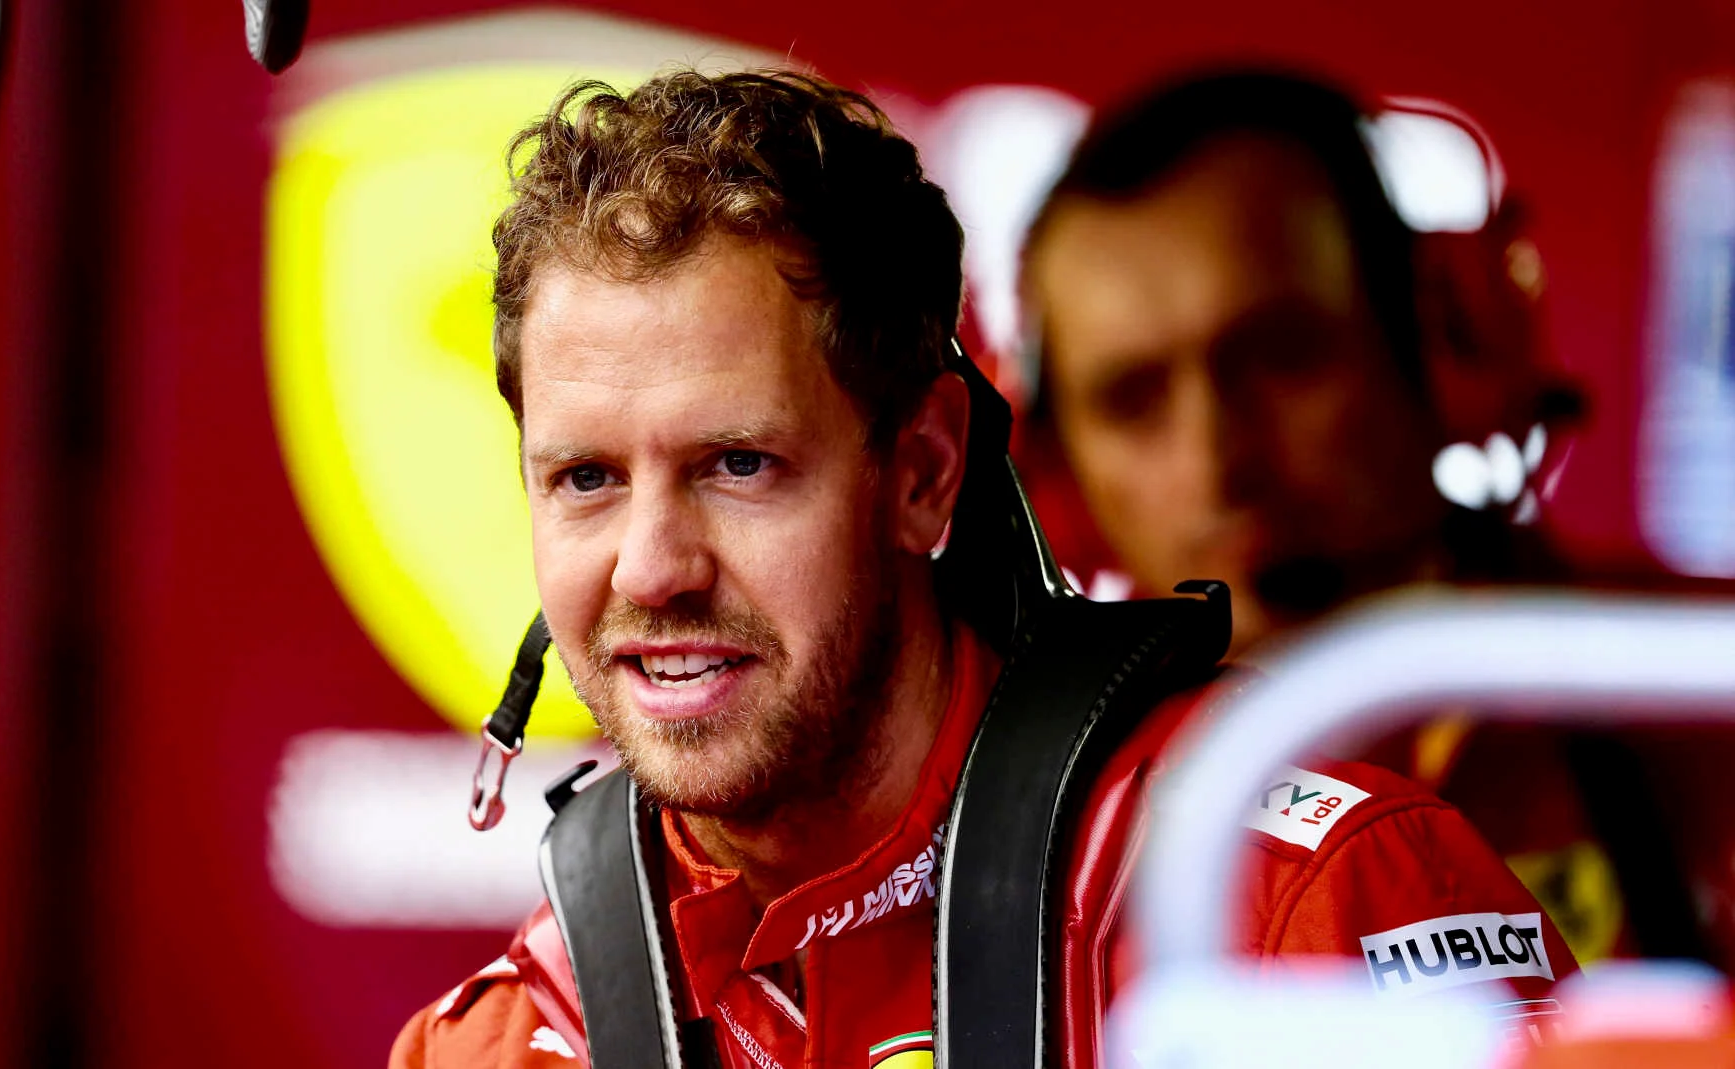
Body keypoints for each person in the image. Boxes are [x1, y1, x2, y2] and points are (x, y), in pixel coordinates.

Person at [393, 68, 1575, 1069]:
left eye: (738, 463)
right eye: (586, 478)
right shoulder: (503, 1042)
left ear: (921, 473)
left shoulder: (1295, 910)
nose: (652, 566)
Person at [1019, 69, 1729, 975]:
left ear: (1444, 341)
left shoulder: (1692, 689)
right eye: (1132, 399)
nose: (1218, 462)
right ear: (1055, 473)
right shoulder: (1022, 805)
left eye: (1282, 355)